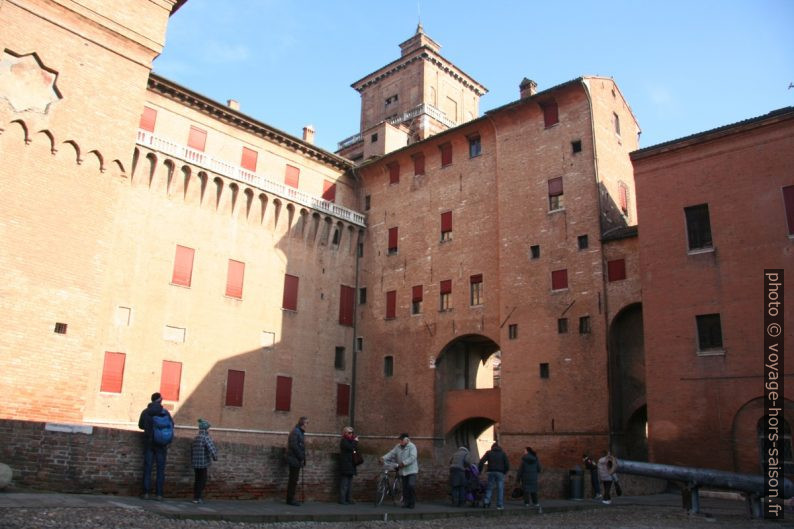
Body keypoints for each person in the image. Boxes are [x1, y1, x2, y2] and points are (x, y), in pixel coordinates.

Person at [137, 392, 173, 501]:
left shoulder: (146, 412)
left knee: (148, 468)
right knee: (160, 469)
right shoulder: (165, 412)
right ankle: (159, 494)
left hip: (149, 443)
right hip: (161, 444)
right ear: (159, 400)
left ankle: (146, 493)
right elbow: (171, 425)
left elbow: (141, 425)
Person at [381, 433, 419, 508]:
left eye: (402, 440)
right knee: (404, 487)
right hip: (403, 471)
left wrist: (404, 463)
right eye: (400, 440)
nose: (400, 441)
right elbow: (391, 453)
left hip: (411, 470)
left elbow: (413, 457)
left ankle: (412, 502)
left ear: (407, 440)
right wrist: (383, 458)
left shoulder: (412, 446)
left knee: (411, 485)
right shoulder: (398, 447)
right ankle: (406, 502)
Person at [191, 418, 218, 504]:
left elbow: (192, 450)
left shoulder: (196, 438)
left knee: (197, 480)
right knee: (202, 480)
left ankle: (195, 497)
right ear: (206, 429)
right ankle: (198, 498)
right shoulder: (206, 437)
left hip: (195, 463)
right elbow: (212, 449)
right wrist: (215, 457)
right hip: (203, 463)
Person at [478, 442, 510, 509]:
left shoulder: (489, 453)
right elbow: (507, 464)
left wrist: (479, 470)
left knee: (489, 487)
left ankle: (486, 502)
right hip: (500, 472)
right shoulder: (503, 454)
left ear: (492, 447)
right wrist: (504, 472)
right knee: (500, 488)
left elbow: (481, 461)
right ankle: (499, 505)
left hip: (491, 471)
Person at [285, 416, 308, 506]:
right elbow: (294, 446)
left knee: (294, 479)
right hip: (294, 459)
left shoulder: (299, 432)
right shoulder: (296, 432)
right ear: (302, 423)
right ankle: (290, 499)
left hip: (296, 459)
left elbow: (300, 447)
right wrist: (301, 457)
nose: (307, 425)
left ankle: (291, 498)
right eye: (307, 423)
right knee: (293, 480)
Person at [517, 446, 542, 512]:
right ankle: (535, 503)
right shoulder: (535, 459)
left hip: (525, 477)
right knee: (534, 490)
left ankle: (527, 503)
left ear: (528, 451)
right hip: (533, 477)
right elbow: (539, 469)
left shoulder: (524, 460)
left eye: (525, 451)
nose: (524, 452)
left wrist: (518, 479)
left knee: (526, 490)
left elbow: (520, 470)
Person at [338, 426, 359, 504]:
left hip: (351, 465)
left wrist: (354, 445)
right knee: (344, 484)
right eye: (349, 433)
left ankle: (349, 499)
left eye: (352, 433)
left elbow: (354, 450)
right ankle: (342, 500)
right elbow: (350, 447)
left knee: (350, 484)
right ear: (345, 433)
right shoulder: (344, 441)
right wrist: (355, 441)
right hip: (345, 465)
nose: (351, 434)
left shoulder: (351, 441)